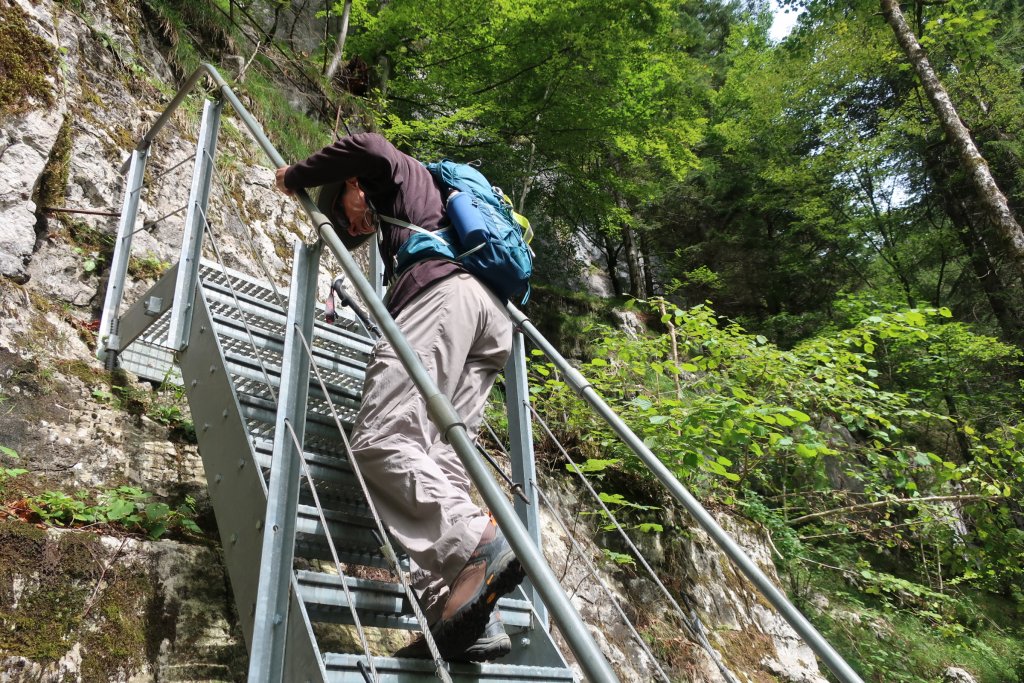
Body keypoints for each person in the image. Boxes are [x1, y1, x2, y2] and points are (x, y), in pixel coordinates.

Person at [275, 132, 524, 662]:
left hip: (444, 299)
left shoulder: (405, 174)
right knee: (440, 462)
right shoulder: (440, 209)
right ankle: (463, 613)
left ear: (352, 185)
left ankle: (473, 542)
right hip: (493, 320)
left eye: (347, 214)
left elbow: (369, 143)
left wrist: (295, 176)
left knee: (380, 438)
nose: (354, 227)